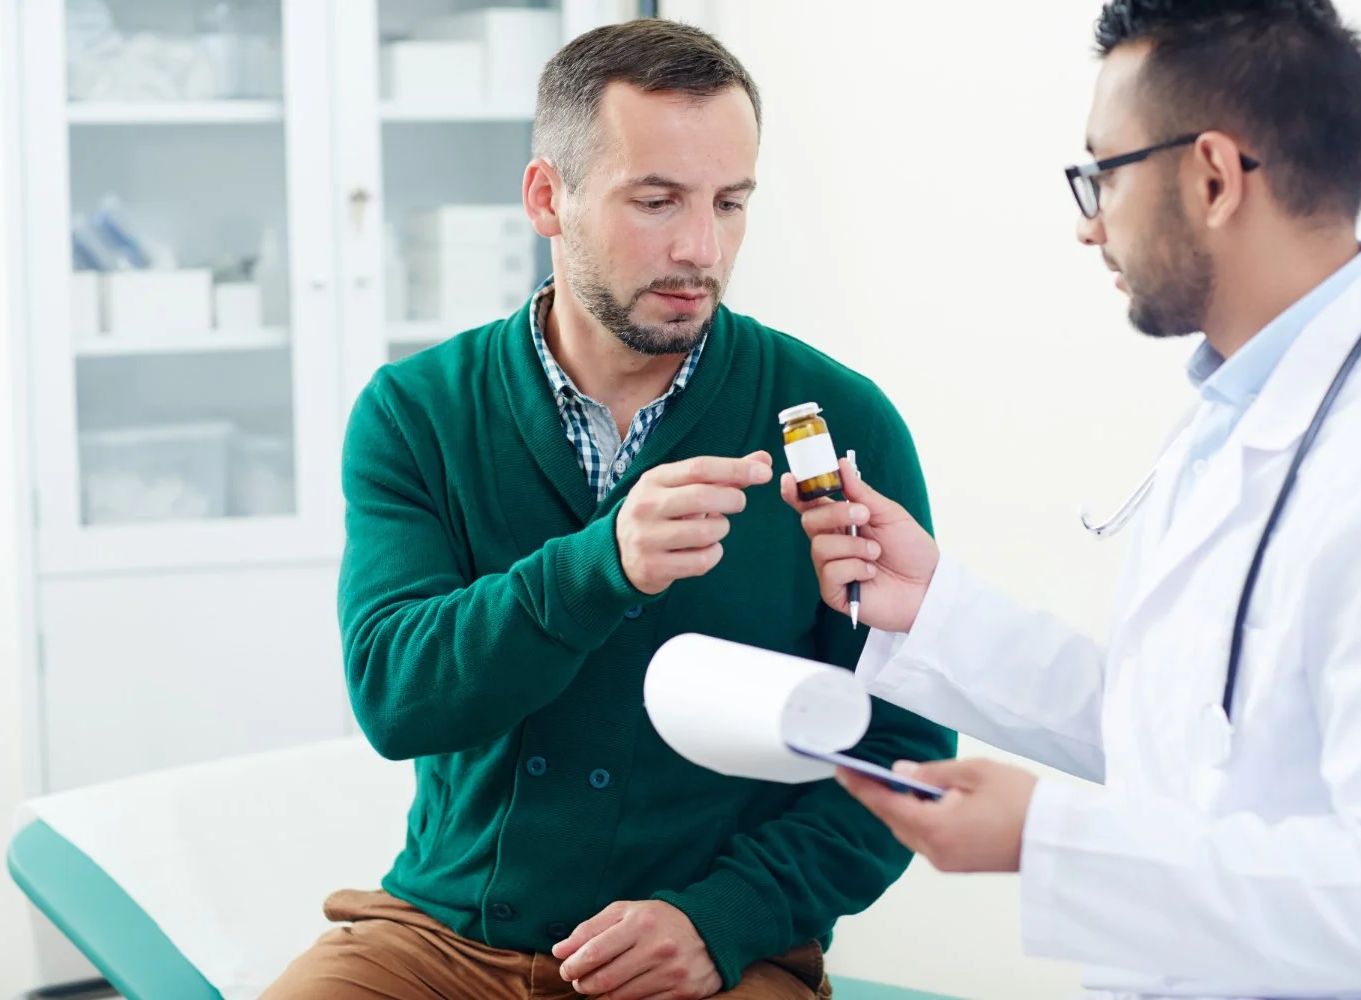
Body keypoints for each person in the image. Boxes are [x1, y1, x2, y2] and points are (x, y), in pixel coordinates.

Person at [785, 1, 1361, 996]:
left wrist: (1052, 839)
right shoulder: (1240, 407)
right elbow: (1190, 736)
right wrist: (935, 609)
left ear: (1213, 177)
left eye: (1103, 173)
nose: (1088, 224)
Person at [262, 19, 953, 1000]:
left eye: (730, 202)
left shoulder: (838, 422)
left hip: (709, 950)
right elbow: (395, 695)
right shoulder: (417, 412)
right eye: (657, 200)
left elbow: (903, 752)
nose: (701, 248)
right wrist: (601, 567)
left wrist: (723, 919)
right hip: (442, 941)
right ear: (548, 197)